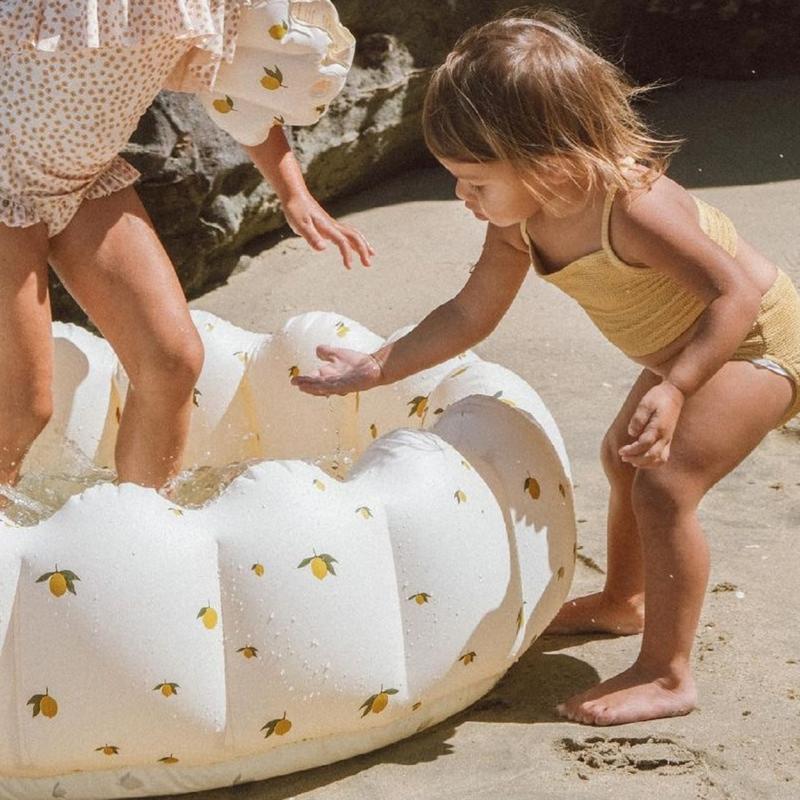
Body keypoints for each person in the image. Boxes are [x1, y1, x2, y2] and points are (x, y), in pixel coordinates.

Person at [291, 9, 800, 726]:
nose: (462, 198)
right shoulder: (520, 221)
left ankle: (668, 673)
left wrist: (679, 387)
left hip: (755, 342)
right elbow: (469, 314)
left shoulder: (633, 209)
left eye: (474, 181)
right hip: (687, 348)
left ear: (546, 158)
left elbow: (735, 294)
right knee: (623, 461)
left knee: (662, 485)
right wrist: (377, 366)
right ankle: (625, 601)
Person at [0, 0, 372, 493]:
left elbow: (233, 85)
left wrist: (294, 193)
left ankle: (140, 537)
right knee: (22, 407)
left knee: (171, 361)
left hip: (82, 182)